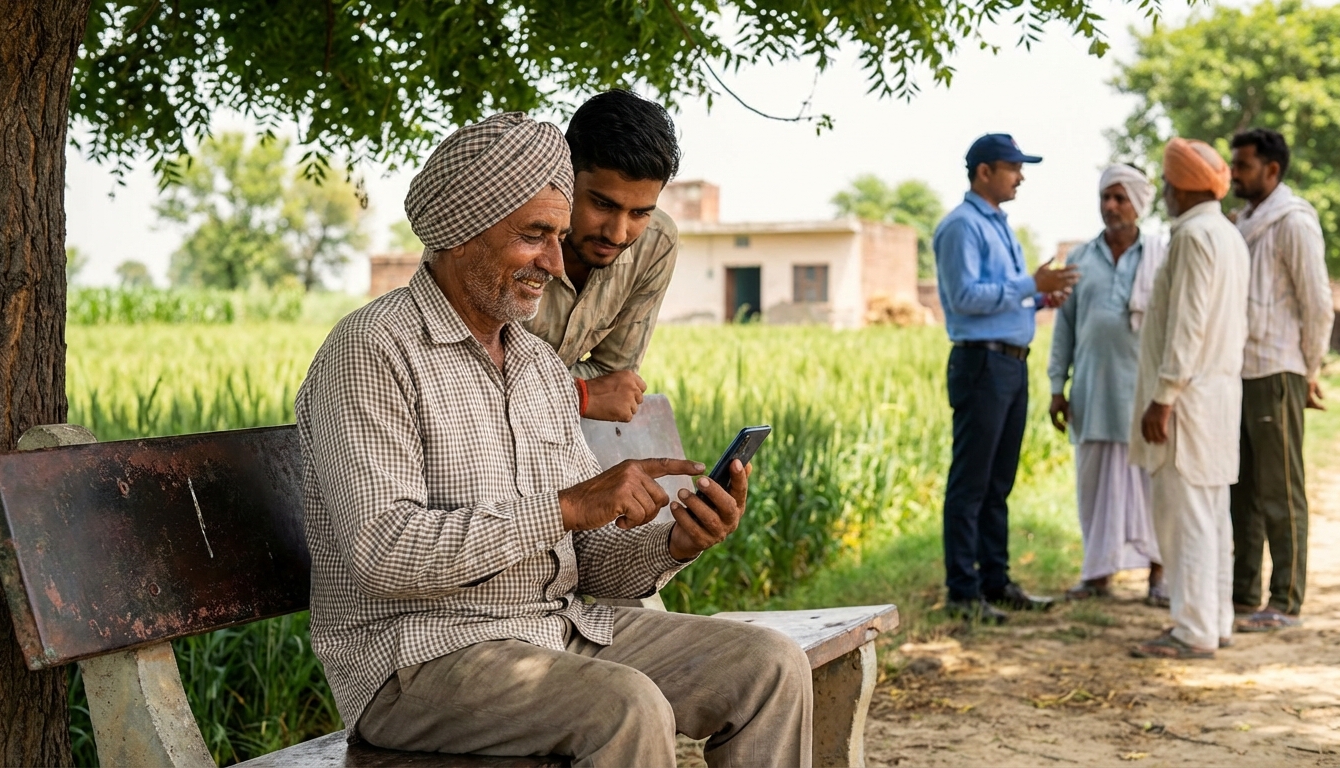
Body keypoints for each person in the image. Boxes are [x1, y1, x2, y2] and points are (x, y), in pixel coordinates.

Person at [295, 112, 813, 768]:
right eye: (535, 235)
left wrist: (677, 542)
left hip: (555, 634)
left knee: (770, 665)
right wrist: (566, 506)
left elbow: (588, 561)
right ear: (461, 229)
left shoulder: (538, 366)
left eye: (559, 236)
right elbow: (384, 553)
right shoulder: (373, 350)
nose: (553, 260)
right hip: (420, 661)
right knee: (627, 706)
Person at [934, 133, 1080, 623]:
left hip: (1011, 363)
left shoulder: (999, 226)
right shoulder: (960, 227)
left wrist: (1040, 298)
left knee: (999, 481)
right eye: (1013, 167)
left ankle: (995, 581)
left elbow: (1004, 296)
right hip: (982, 364)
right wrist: (1028, 285)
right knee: (971, 481)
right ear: (984, 172)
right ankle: (962, 591)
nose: (1021, 176)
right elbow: (964, 298)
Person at [1129, 138, 1249, 660]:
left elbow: (1188, 324)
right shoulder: (1226, 233)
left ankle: (1192, 630)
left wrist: (1164, 395)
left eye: (1167, 183)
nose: (1165, 193)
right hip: (1215, 396)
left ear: (1182, 186)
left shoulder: (1194, 236)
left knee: (1187, 519)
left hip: (1189, 400)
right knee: (1211, 515)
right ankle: (1213, 621)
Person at [523, 90, 681, 423]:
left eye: (639, 212)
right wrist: (579, 394)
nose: (618, 234)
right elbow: (458, 372)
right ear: (565, 179)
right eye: (603, 205)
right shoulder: (505, 228)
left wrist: (549, 389)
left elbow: (613, 375)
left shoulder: (656, 242)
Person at [1048, 165, 1167, 605]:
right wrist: (1057, 386)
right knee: (1094, 487)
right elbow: (1065, 329)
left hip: (1146, 396)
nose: (1110, 206)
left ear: (1138, 203)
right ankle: (1097, 575)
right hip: (1093, 394)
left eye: (1119, 197)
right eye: (1105, 197)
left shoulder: (1161, 253)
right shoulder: (1080, 257)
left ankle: (1160, 575)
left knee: (1152, 485)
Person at [1228, 128, 1332, 633]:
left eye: (1243, 165)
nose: (1233, 174)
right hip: (1239, 372)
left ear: (1272, 170)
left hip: (1278, 369)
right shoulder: (1242, 222)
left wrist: (1307, 371)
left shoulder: (1293, 221)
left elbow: (1316, 305)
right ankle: (1243, 594)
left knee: (1280, 491)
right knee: (1241, 489)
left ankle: (1285, 600)